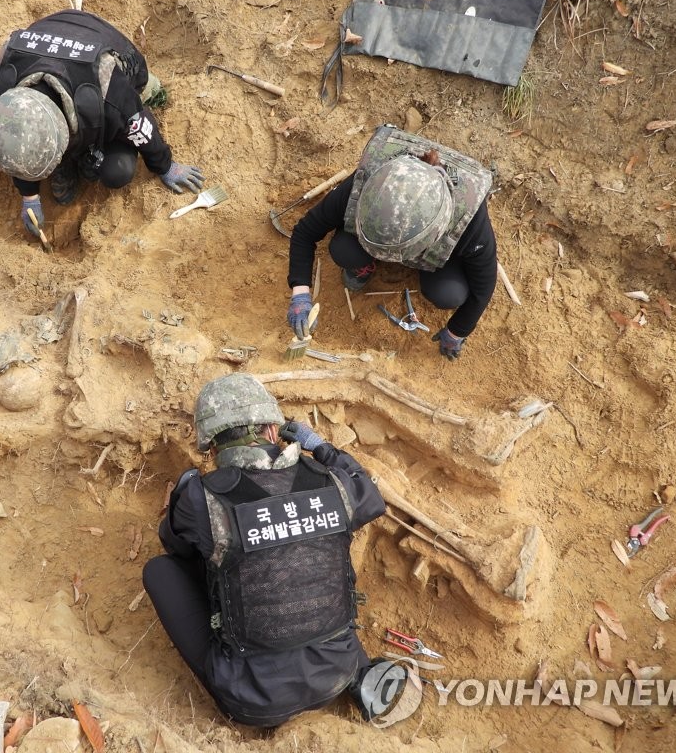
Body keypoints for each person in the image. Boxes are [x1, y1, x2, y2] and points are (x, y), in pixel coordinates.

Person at [142, 373, 399, 727]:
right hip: (338, 675)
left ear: (213, 448)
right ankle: (361, 677)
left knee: (160, 571)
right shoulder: (331, 482)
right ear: (273, 432)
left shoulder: (201, 498)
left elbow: (175, 548)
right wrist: (320, 447)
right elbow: (370, 497)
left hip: (254, 703)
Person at [0, 10, 204, 239]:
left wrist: (166, 166)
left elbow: (141, 127)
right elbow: (16, 137)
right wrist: (29, 195)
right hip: (52, 31)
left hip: (108, 49)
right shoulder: (9, 73)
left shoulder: (109, 92)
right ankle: (65, 159)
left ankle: (80, 153)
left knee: (117, 171)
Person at [285, 124, 498, 361]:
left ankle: (425, 264)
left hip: (439, 256)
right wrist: (300, 293)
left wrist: (458, 330)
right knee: (343, 249)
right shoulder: (366, 182)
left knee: (449, 294)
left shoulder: (468, 219)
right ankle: (364, 263)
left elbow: (484, 287)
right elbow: (305, 232)